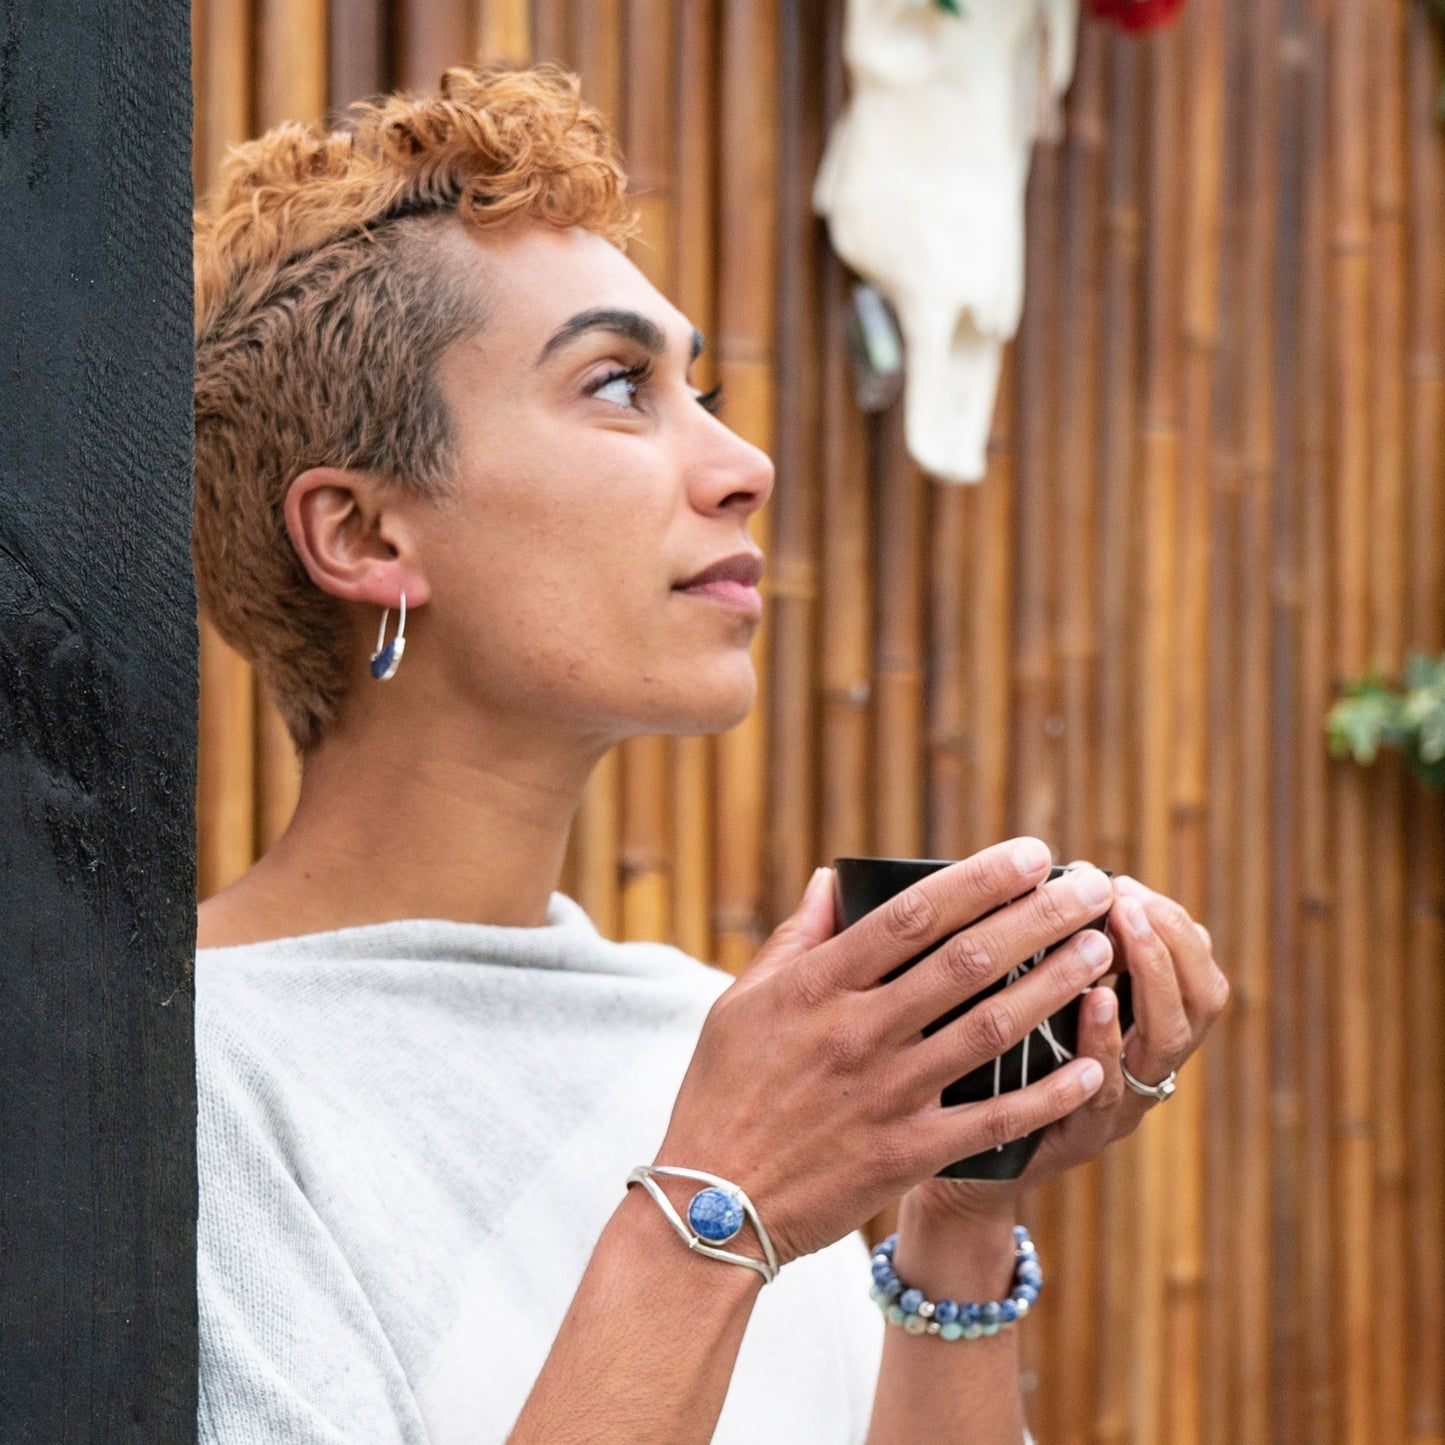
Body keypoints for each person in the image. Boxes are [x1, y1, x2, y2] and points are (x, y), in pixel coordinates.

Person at [191, 64, 1228, 1445]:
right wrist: (716, 1196)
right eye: (618, 385)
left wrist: (959, 1218)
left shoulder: (720, 1044)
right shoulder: (177, 1081)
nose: (745, 461)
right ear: (367, 537)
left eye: (705, 388)